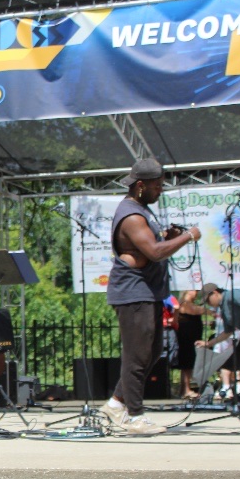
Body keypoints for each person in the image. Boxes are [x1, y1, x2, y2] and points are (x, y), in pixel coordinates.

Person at [97, 158, 200, 435]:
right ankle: (135, 416)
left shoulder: (142, 209)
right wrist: (188, 236)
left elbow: (150, 245)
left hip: (148, 291)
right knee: (137, 354)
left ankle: (115, 404)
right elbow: (154, 252)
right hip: (133, 293)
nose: (161, 190)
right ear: (140, 185)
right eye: (157, 186)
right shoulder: (131, 215)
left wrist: (168, 237)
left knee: (151, 352)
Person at [174, 288, 207, 398]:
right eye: (194, 290)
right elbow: (193, 310)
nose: (196, 293)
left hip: (193, 338)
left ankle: (184, 389)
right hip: (186, 338)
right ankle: (186, 390)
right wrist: (208, 310)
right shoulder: (184, 304)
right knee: (187, 364)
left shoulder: (190, 304)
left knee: (189, 364)